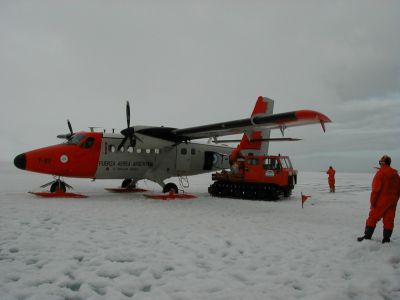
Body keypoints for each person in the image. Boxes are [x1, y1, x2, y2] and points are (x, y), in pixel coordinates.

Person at [357, 155, 400, 243]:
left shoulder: (381, 173)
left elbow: (376, 190)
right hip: (393, 201)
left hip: (381, 200)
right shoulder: (396, 175)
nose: (379, 163)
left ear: (383, 163)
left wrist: (373, 202)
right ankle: (386, 239)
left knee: (373, 217)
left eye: (380, 161)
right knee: (389, 219)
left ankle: (367, 236)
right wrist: (395, 200)